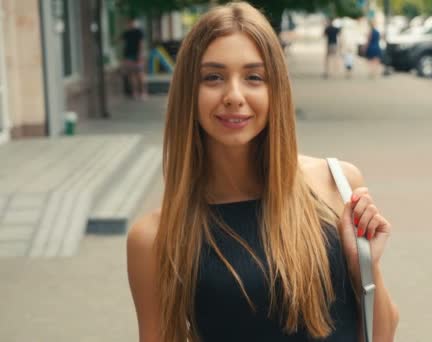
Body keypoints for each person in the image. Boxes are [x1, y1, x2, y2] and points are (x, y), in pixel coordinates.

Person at [126, 3, 399, 342]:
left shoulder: (338, 183)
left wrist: (363, 268)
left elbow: (382, 333)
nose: (234, 96)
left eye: (254, 77)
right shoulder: (156, 237)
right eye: (213, 77)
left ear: (276, 90)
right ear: (188, 93)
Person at [121, 18, 147, 100]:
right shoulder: (126, 33)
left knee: (140, 74)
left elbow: (141, 43)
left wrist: (140, 54)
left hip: (137, 55)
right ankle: (134, 92)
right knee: (131, 75)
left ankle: (143, 92)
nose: (129, 24)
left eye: (130, 23)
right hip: (128, 55)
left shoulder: (138, 32)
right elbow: (120, 42)